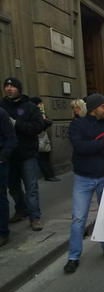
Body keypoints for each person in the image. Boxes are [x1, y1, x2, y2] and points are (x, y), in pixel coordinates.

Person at [64, 93, 104, 274]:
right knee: (78, 219)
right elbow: (79, 147)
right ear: (93, 108)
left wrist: (97, 147)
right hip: (83, 179)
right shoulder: (77, 125)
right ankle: (73, 257)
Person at [0, 78, 45, 231]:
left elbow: (39, 126)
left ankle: (35, 217)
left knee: (31, 187)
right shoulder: (2, 106)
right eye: (6, 86)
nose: (9, 88)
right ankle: (21, 210)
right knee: (13, 188)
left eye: (12, 86)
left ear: (19, 88)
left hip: (27, 154)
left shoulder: (30, 106)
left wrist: (16, 124)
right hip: (8, 156)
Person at [30, 97, 60, 182]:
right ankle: (48, 175)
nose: (41, 104)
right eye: (39, 103)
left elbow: (48, 121)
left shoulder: (40, 112)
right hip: (38, 138)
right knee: (42, 158)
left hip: (42, 137)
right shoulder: (34, 113)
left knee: (45, 157)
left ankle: (49, 175)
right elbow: (43, 123)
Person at [0, 106, 17, 247]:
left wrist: (2, 157)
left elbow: (11, 139)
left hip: (0, 163)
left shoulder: (1, 113)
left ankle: (2, 232)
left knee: (0, 197)